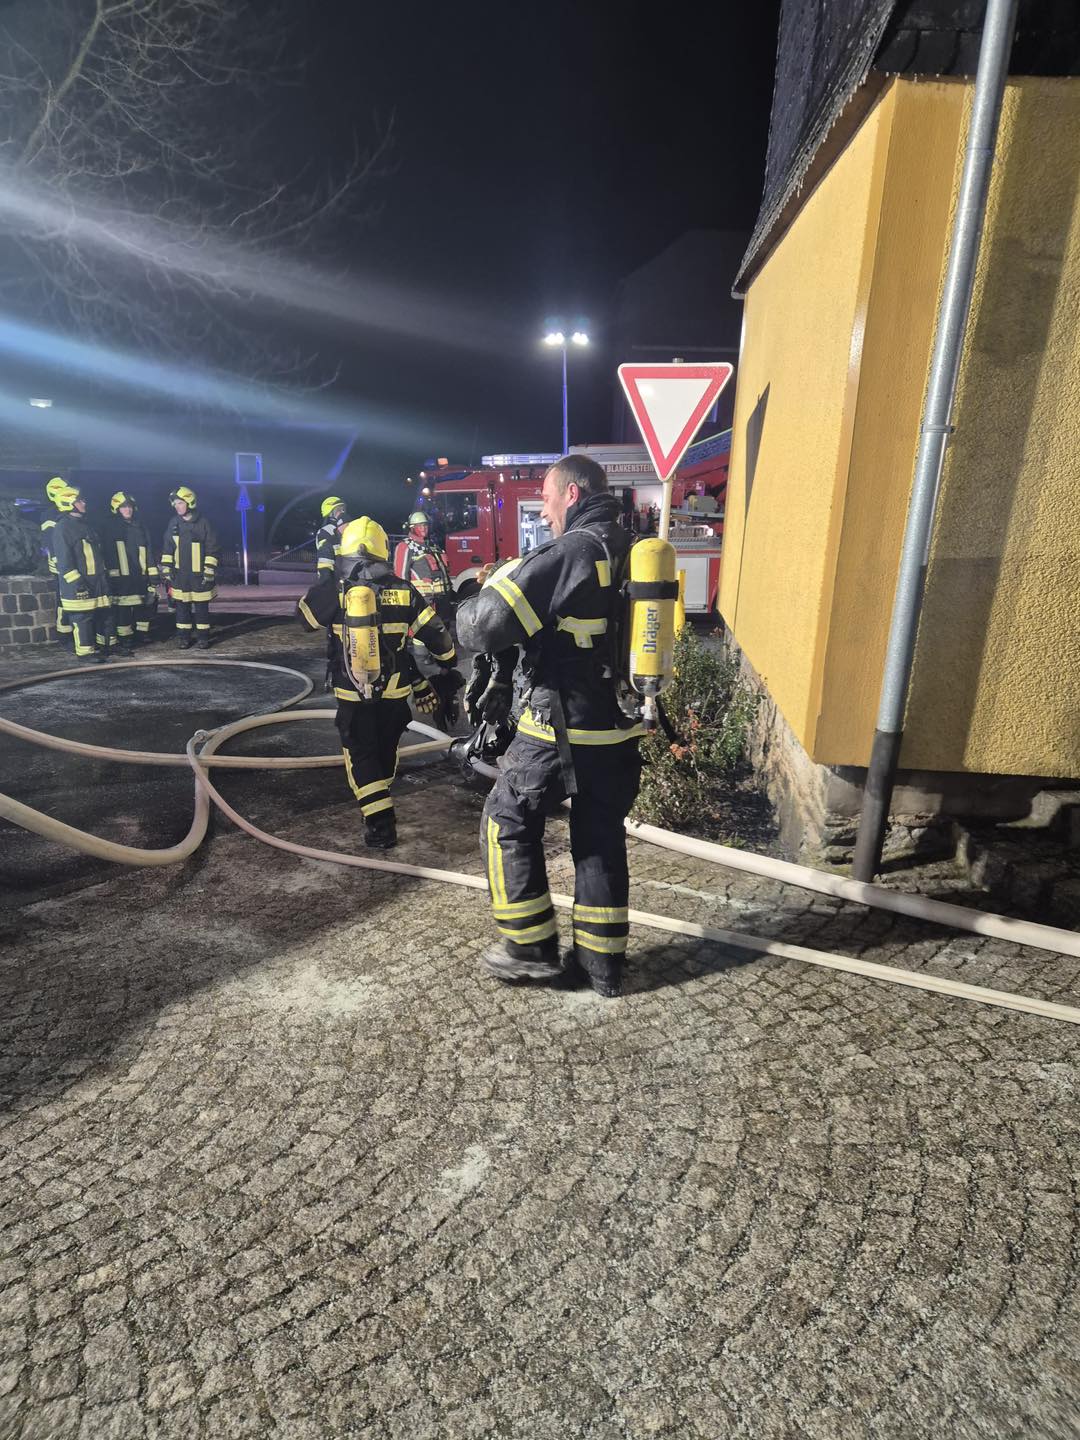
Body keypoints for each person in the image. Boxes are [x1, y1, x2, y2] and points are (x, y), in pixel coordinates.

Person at [456, 454, 643, 999]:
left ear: (573, 495)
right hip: (620, 730)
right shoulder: (631, 547)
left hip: (561, 727)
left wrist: (484, 592)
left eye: (547, 496)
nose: (543, 509)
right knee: (599, 836)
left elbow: (484, 627)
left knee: (506, 819)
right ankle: (602, 968)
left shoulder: (574, 551)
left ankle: (529, 948)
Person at [297, 516, 457, 849]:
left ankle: (380, 824)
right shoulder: (403, 589)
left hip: (352, 692)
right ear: (382, 549)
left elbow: (304, 619)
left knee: (361, 755)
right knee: (384, 750)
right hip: (396, 692)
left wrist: (328, 585)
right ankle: (379, 799)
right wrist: (447, 666)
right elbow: (437, 636)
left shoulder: (336, 589)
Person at [52, 485, 115, 662]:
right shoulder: (63, 528)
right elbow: (64, 561)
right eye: (79, 501)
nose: (84, 503)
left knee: (103, 614)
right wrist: (77, 582)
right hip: (79, 584)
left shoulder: (85, 525)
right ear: (68, 503)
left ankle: (104, 646)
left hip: (96, 581)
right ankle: (85, 653)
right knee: (82, 618)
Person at [160, 487, 218, 649]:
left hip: (200, 575)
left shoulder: (203, 523)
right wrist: (167, 568)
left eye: (180, 503)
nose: (177, 506)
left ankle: (203, 638)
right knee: (182, 609)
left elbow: (212, 547)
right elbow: (168, 547)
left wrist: (209, 569)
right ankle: (184, 638)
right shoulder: (174, 523)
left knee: (201, 609)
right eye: (175, 504)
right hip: (180, 575)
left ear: (190, 503)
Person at [104, 492, 158, 655]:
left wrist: (152, 572)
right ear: (116, 509)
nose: (127, 510)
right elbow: (108, 553)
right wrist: (112, 575)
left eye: (129, 507)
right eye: (123, 507)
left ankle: (142, 633)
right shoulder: (111, 528)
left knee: (142, 606)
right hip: (121, 576)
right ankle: (125, 638)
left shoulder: (140, 527)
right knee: (124, 609)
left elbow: (148, 550)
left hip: (140, 574)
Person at [393, 510, 455, 629]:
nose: (424, 528)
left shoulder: (433, 545)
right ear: (412, 528)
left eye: (425, 525)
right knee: (424, 636)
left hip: (442, 603)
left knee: (444, 637)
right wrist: (404, 606)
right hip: (423, 603)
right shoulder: (405, 546)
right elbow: (401, 579)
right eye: (420, 525)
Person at [40, 476, 73, 642]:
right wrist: (57, 561)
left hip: (69, 562)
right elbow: (49, 540)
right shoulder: (50, 514)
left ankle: (72, 631)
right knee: (63, 599)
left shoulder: (66, 513)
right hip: (60, 565)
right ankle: (64, 633)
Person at [315, 496, 349, 575]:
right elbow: (325, 560)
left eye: (343, 509)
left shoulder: (352, 527)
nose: (342, 512)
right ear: (329, 512)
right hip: (336, 577)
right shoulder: (325, 532)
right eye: (338, 509)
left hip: (352, 574)